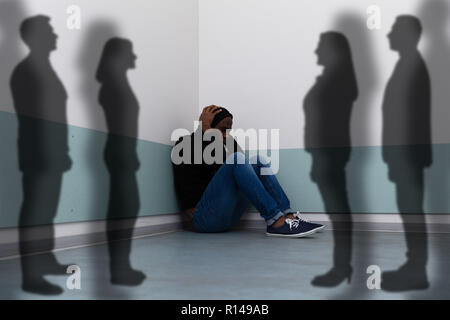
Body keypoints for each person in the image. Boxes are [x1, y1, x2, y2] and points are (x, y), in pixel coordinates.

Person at [172, 105, 324, 237]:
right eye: (222, 130)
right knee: (237, 158)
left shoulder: (222, 149)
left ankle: (289, 217)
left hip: (227, 218)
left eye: (228, 130)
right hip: (202, 220)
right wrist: (204, 130)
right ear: (208, 127)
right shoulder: (184, 144)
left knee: (257, 161)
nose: (226, 135)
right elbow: (203, 170)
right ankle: (275, 221)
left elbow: (245, 172)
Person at [10, 15, 71, 295]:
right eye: (50, 31)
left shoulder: (44, 69)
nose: (55, 35)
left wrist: (63, 150)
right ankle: (30, 275)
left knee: (46, 210)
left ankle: (45, 259)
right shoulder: (27, 71)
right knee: (35, 210)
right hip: (38, 152)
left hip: (52, 153)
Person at [381, 15, 431, 291]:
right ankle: (414, 265)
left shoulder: (413, 66)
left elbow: (415, 115)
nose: (389, 34)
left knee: (411, 207)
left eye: (394, 31)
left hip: (410, 151)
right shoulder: (407, 65)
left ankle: (417, 269)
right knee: (410, 207)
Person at [304, 32, 357, 286]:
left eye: (320, 47)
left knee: (338, 210)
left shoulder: (338, 82)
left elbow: (331, 123)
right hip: (326, 153)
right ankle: (342, 266)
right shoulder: (331, 80)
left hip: (331, 153)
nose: (316, 51)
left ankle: (342, 267)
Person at [96, 38, 146, 285]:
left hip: (123, 151)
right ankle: (118, 267)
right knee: (124, 207)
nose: (134, 56)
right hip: (118, 151)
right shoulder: (113, 86)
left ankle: (120, 265)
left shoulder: (118, 84)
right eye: (130, 52)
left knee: (127, 206)